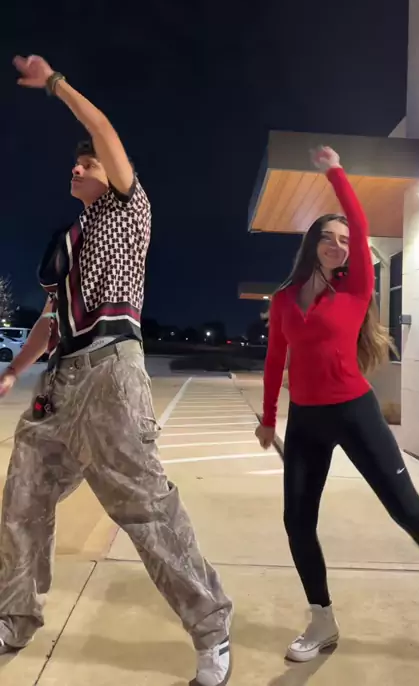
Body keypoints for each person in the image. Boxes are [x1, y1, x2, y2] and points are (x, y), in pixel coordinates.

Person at [0, 55, 232, 686]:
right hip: (60, 386)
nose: (78, 168)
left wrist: (56, 85)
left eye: (89, 163)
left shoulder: (129, 212)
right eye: (73, 165)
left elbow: (102, 129)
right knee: (22, 497)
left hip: (111, 375)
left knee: (145, 509)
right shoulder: (69, 242)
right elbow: (51, 320)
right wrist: (15, 370)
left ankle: (211, 628)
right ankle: (14, 617)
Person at [255, 144, 419, 663]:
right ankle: (322, 621)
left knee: (407, 510)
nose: (339, 245)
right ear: (312, 245)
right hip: (306, 421)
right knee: (297, 522)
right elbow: (274, 361)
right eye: (328, 238)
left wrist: (335, 173)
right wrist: (268, 420)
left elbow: (359, 224)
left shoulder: (356, 287)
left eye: (344, 241)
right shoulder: (285, 300)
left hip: (355, 412)